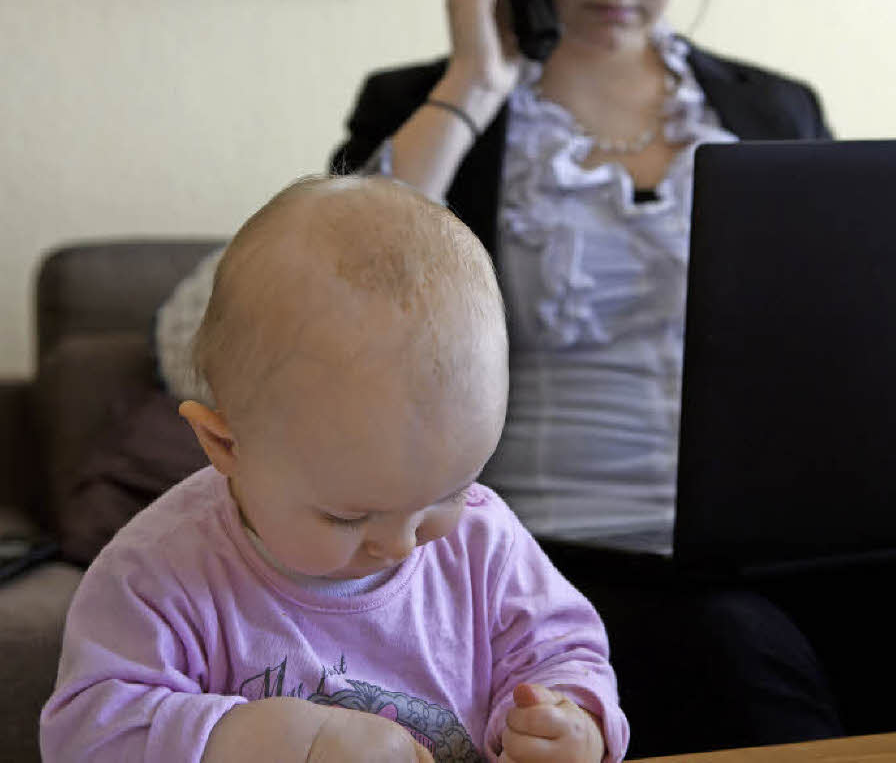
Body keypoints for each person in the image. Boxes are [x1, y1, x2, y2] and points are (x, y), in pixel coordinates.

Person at [328, 0, 842, 755]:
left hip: (752, 551)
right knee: (731, 656)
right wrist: (474, 82)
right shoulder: (421, 106)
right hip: (529, 552)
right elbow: (338, 289)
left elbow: (842, 346)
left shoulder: (776, 109)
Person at [39, 176, 629, 763]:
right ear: (225, 445)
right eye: (349, 515)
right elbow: (85, 735)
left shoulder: (484, 541)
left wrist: (571, 719)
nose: (402, 544)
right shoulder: (157, 575)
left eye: (446, 493)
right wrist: (278, 740)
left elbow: (560, 651)